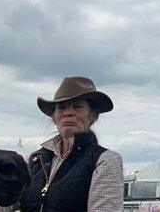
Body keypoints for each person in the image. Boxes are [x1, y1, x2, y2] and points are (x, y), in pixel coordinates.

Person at [19, 76, 123, 211]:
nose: (68, 113)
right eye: (61, 108)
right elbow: (8, 200)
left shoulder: (104, 160)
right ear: (54, 117)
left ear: (93, 116)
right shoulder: (35, 160)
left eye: (77, 106)